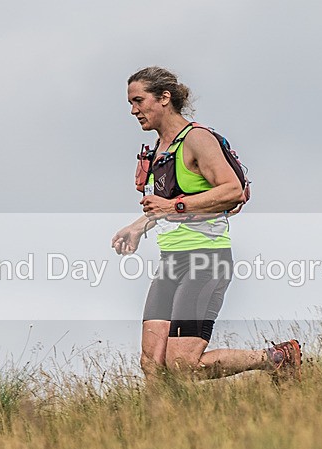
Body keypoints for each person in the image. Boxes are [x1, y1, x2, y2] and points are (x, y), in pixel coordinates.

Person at [112, 66, 301, 381]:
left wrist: (174, 205)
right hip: (171, 262)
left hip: (206, 260)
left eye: (139, 101)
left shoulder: (196, 139)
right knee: (151, 363)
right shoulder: (158, 150)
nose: (134, 110)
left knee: (182, 364)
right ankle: (164, 427)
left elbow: (231, 190)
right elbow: (167, 206)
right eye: (131, 103)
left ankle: (278, 358)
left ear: (164, 98)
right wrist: (138, 227)